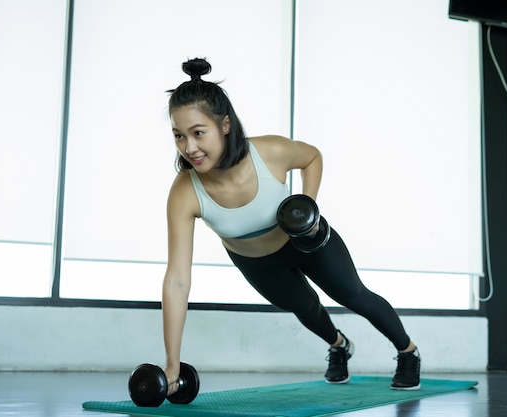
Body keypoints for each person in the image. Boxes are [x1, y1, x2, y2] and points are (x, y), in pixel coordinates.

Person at [161, 57, 421, 396]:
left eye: (198, 133)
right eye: (179, 136)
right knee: (303, 306)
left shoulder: (269, 151)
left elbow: (312, 156)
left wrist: (306, 209)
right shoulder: (185, 192)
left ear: (225, 125)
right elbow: (178, 280)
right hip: (256, 263)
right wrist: (171, 363)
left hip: (306, 241)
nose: (189, 148)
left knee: (354, 295)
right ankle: (339, 345)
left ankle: (408, 352)